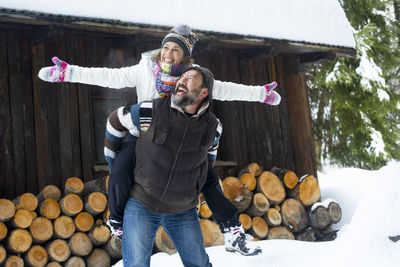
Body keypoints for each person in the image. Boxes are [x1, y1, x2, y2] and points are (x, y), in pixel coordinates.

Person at [38, 24, 280, 256]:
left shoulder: (191, 78)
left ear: (185, 57)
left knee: (206, 176)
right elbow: (108, 76)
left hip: (180, 139)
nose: (168, 54)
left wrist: (260, 93)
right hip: (144, 136)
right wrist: (67, 72)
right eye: (166, 48)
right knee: (120, 169)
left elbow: (226, 90)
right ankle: (117, 220)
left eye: (176, 50)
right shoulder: (144, 69)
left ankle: (233, 231)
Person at [111, 65, 225, 266]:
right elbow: (115, 120)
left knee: (199, 264)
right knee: (136, 264)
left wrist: (195, 184)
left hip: (183, 209)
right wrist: (114, 160)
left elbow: (208, 162)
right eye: (182, 77)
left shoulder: (213, 126)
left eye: (190, 78)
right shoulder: (151, 110)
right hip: (142, 203)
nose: (182, 81)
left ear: (204, 92)